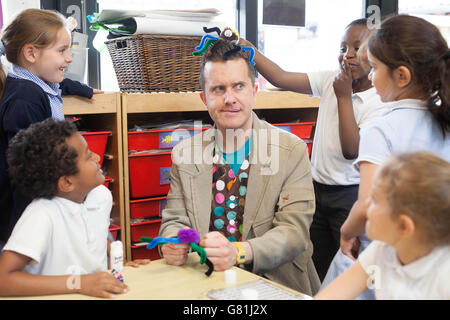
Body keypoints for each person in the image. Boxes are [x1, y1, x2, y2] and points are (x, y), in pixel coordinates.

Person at [158, 39, 320, 295]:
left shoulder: (291, 150)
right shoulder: (185, 153)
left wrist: (239, 252)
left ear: (254, 91)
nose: (229, 98)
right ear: (204, 98)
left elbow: (294, 232)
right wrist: (172, 240)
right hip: (207, 282)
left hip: (275, 282)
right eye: (218, 89)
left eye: (239, 86)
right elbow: (175, 219)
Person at [239, 18, 388, 281]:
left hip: (350, 196)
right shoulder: (330, 79)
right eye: (343, 48)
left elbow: (351, 150)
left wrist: (343, 96)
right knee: (316, 262)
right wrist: (245, 46)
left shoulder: (378, 99)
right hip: (316, 190)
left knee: (348, 266)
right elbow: (281, 77)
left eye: (357, 48)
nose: (348, 56)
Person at [339, 14, 450, 263]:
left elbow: (368, 204)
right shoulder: (445, 121)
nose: (370, 76)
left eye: (375, 68)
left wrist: (346, 232)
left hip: (387, 256)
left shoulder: (380, 129)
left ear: (402, 76)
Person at [0, 119, 149, 298]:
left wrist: (119, 264)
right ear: (67, 182)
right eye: (88, 156)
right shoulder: (42, 214)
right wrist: (78, 282)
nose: (96, 157)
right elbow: (3, 281)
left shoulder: (100, 196)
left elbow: (93, 233)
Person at [0, 9, 102, 249]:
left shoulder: (32, 84)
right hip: (23, 218)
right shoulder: (24, 100)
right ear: (31, 53)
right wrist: (32, 233)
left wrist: (80, 87)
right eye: (62, 50)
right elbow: (26, 174)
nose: (69, 58)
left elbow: (57, 84)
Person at [315, 152, 450, 299]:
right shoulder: (381, 250)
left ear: (404, 227)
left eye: (375, 200)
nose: (365, 205)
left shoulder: (443, 277)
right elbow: (334, 294)